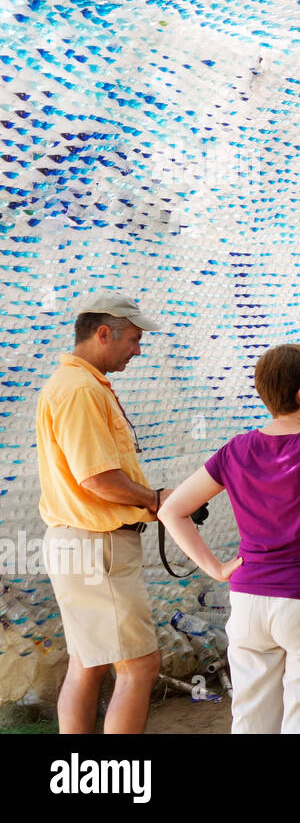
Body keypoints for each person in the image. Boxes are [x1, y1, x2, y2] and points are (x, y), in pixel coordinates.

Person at [158, 344, 300, 734]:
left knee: (251, 720)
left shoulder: (235, 450)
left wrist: (216, 569)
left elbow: (171, 510)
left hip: (249, 601)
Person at [36, 295, 170, 733]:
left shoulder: (72, 384)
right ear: (104, 333)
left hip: (79, 541)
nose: (138, 350)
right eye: (134, 340)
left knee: (88, 662)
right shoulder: (81, 390)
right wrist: (155, 499)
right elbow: (98, 479)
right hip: (98, 546)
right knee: (139, 665)